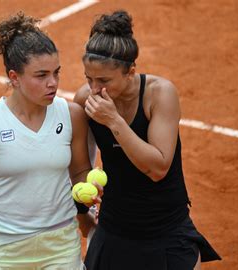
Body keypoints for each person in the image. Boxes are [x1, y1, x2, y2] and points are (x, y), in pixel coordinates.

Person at [0, 12, 99, 270]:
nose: (52, 83)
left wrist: (90, 191)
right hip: (3, 250)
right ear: (14, 78)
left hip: (60, 247)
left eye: (56, 73)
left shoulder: (71, 115)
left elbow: (79, 173)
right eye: (41, 75)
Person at [74, 10, 221, 270]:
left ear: (130, 71)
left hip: (167, 232)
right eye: (89, 78)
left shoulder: (160, 94)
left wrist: (114, 121)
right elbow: (79, 168)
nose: (95, 88)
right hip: (113, 231)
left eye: (104, 80)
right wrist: (84, 214)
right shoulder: (86, 100)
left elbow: (158, 167)